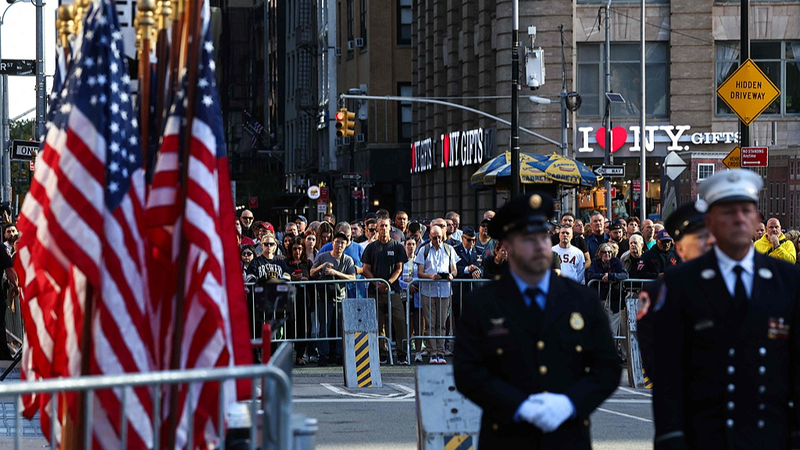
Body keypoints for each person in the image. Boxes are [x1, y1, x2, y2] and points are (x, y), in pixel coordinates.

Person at [453, 192, 620, 448]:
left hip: (567, 437)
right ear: (507, 245)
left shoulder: (581, 300)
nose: (540, 246)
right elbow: (467, 371)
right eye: (528, 239)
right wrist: (517, 405)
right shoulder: (483, 304)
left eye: (543, 236)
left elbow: (607, 367)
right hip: (506, 437)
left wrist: (570, 403)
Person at [653, 169, 800, 449]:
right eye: (728, 211)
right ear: (710, 221)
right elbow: (669, 372)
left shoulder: (788, 280)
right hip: (706, 435)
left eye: (746, 210)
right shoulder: (682, 284)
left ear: (757, 219)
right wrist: (670, 438)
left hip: (771, 434)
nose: (739, 218)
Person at [636, 202, 714, 382]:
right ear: (680, 248)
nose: (708, 244)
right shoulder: (656, 294)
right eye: (699, 239)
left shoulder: (728, 283)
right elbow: (652, 352)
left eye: (711, 237)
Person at [361, 217, 409, 363]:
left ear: (390, 227)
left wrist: (387, 283)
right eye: (380, 226)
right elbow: (365, 269)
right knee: (378, 323)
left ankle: (402, 353)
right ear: (377, 228)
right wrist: (377, 283)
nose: (383, 229)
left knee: (400, 321)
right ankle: (382, 352)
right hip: (374, 292)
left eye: (386, 226)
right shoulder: (371, 247)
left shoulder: (397, 246)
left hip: (393, 291)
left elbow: (399, 269)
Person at [310, 232, 356, 366]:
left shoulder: (348, 259)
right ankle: (323, 355)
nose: (339, 245)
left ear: (346, 244)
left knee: (339, 328)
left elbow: (352, 277)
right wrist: (322, 267)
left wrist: (335, 273)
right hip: (324, 297)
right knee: (323, 327)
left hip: (340, 297)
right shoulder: (323, 256)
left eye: (342, 242)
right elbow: (312, 272)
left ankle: (338, 355)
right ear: (332, 242)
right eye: (337, 242)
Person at [415, 224, 458, 364]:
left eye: (440, 237)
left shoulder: (449, 249)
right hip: (428, 290)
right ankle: (432, 352)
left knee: (442, 322)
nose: (438, 240)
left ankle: (440, 351)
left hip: (444, 291)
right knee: (430, 323)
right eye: (435, 238)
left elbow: (454, 269)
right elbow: (419, 272)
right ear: (430, 237)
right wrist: (431, 277)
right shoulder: (424, 250)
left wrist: (451, 275)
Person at [284, 237, 313, 365]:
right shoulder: (285, 263)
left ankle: (300, 355)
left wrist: (307, 280)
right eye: (294, 248)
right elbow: (282, 277)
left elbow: (313, 280)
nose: (297, 251)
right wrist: (291, 278)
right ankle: (289, 355)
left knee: (303, 327)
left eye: (300, 248)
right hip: (289, 300)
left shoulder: (307, 263)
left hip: (304, 299)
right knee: (289, 328)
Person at [398, 238, 424, 363]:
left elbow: (422, 275)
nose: (411, 247)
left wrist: (414, 284)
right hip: (404, 296)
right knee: (405, 324)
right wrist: (407, 285)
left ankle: (418, 351)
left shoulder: (419, 261)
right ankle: (405, 350)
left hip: (417, 295)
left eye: (413, 244)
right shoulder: (401, 262)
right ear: (404, 246)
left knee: (418, 323)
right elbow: (397, 278)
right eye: (409, 244)